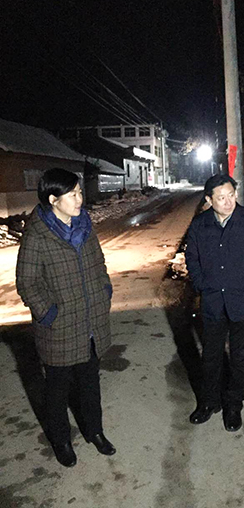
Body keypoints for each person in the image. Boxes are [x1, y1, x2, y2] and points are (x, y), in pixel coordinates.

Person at [16, 168, 116, 467]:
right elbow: (27, 282)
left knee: (90, 384)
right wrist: (49, 313)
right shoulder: (37, 235)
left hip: (90, 323)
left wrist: (104, 289)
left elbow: (98, 262)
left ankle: (95, 431)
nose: (79, 199)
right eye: (72, 194)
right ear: (53, 199)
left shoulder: (85, 225)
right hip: (59, 328)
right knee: (57, 391)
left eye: (80, 192)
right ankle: (61, 440)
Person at [185, 174, 244, 432]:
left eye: (231, 195)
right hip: (213, 302)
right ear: (209, 200)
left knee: (240, 358)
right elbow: (192, 257)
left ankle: (234, 405)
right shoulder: (200, 225)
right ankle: (208, 402)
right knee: (210, 356)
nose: (228, 202)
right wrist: (201, 284)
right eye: (221, 198)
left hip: (243, 302)